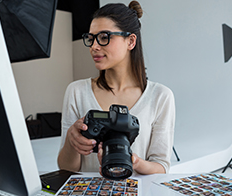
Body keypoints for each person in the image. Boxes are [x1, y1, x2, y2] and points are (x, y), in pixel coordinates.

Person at [58, 1, 175, 175]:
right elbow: (67, 168)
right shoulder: (76, 91)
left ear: (131, 41)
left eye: (104, 37)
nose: (94, 47)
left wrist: (132, 161)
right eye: (91, 39)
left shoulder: (160, 96)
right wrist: (71, 140)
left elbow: (161, 166)